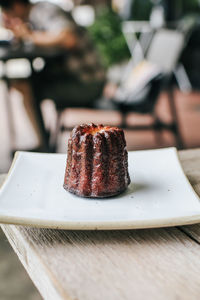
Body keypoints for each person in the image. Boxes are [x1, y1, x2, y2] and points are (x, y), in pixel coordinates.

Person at [0, 0, 105, 149]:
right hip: (74, 78)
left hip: (86, 82)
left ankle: (43, 146)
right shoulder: (33, 17)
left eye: (8, 12)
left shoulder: (43, 11)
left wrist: (28, 36)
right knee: (24, 84)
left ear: (17, 5)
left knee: (27, 87)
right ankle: (43, 142)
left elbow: (69, 39)